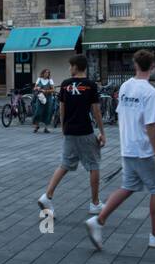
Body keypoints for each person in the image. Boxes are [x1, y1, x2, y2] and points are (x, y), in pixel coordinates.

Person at [85, 49, 155, 250]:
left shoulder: (125, 87)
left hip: (127, 146)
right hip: (143, 149)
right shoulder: (150, 92)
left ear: (134, 66)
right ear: (153, 67)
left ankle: (98, 221)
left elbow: (121, 114)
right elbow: (150, 125)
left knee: (128, 186)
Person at [38, 55, 107, 217]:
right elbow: (95, 110)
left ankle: (47, 196)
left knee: (64, 164)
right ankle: (95, 203)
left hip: (70, 130)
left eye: (70, 66)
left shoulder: (65, 84)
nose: (69, 69)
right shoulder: (90, 86)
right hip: (85, 130)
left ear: (76, 67)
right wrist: (102, 132)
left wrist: (63, 126)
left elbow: (62, 108)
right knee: (94, 164)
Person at [32, 68, 56, 133]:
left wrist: (46, 91)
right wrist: (37, 88)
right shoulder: (39, 79)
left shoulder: (50, 80)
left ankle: (46, 128)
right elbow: (34, 88)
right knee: (38, 111)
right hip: (40, 97)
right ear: (43, 73)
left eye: (48, 73)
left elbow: (53, 90)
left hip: (48, 98)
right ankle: (36, 126)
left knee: (48, 112)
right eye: (45, 72)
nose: (47, 74)